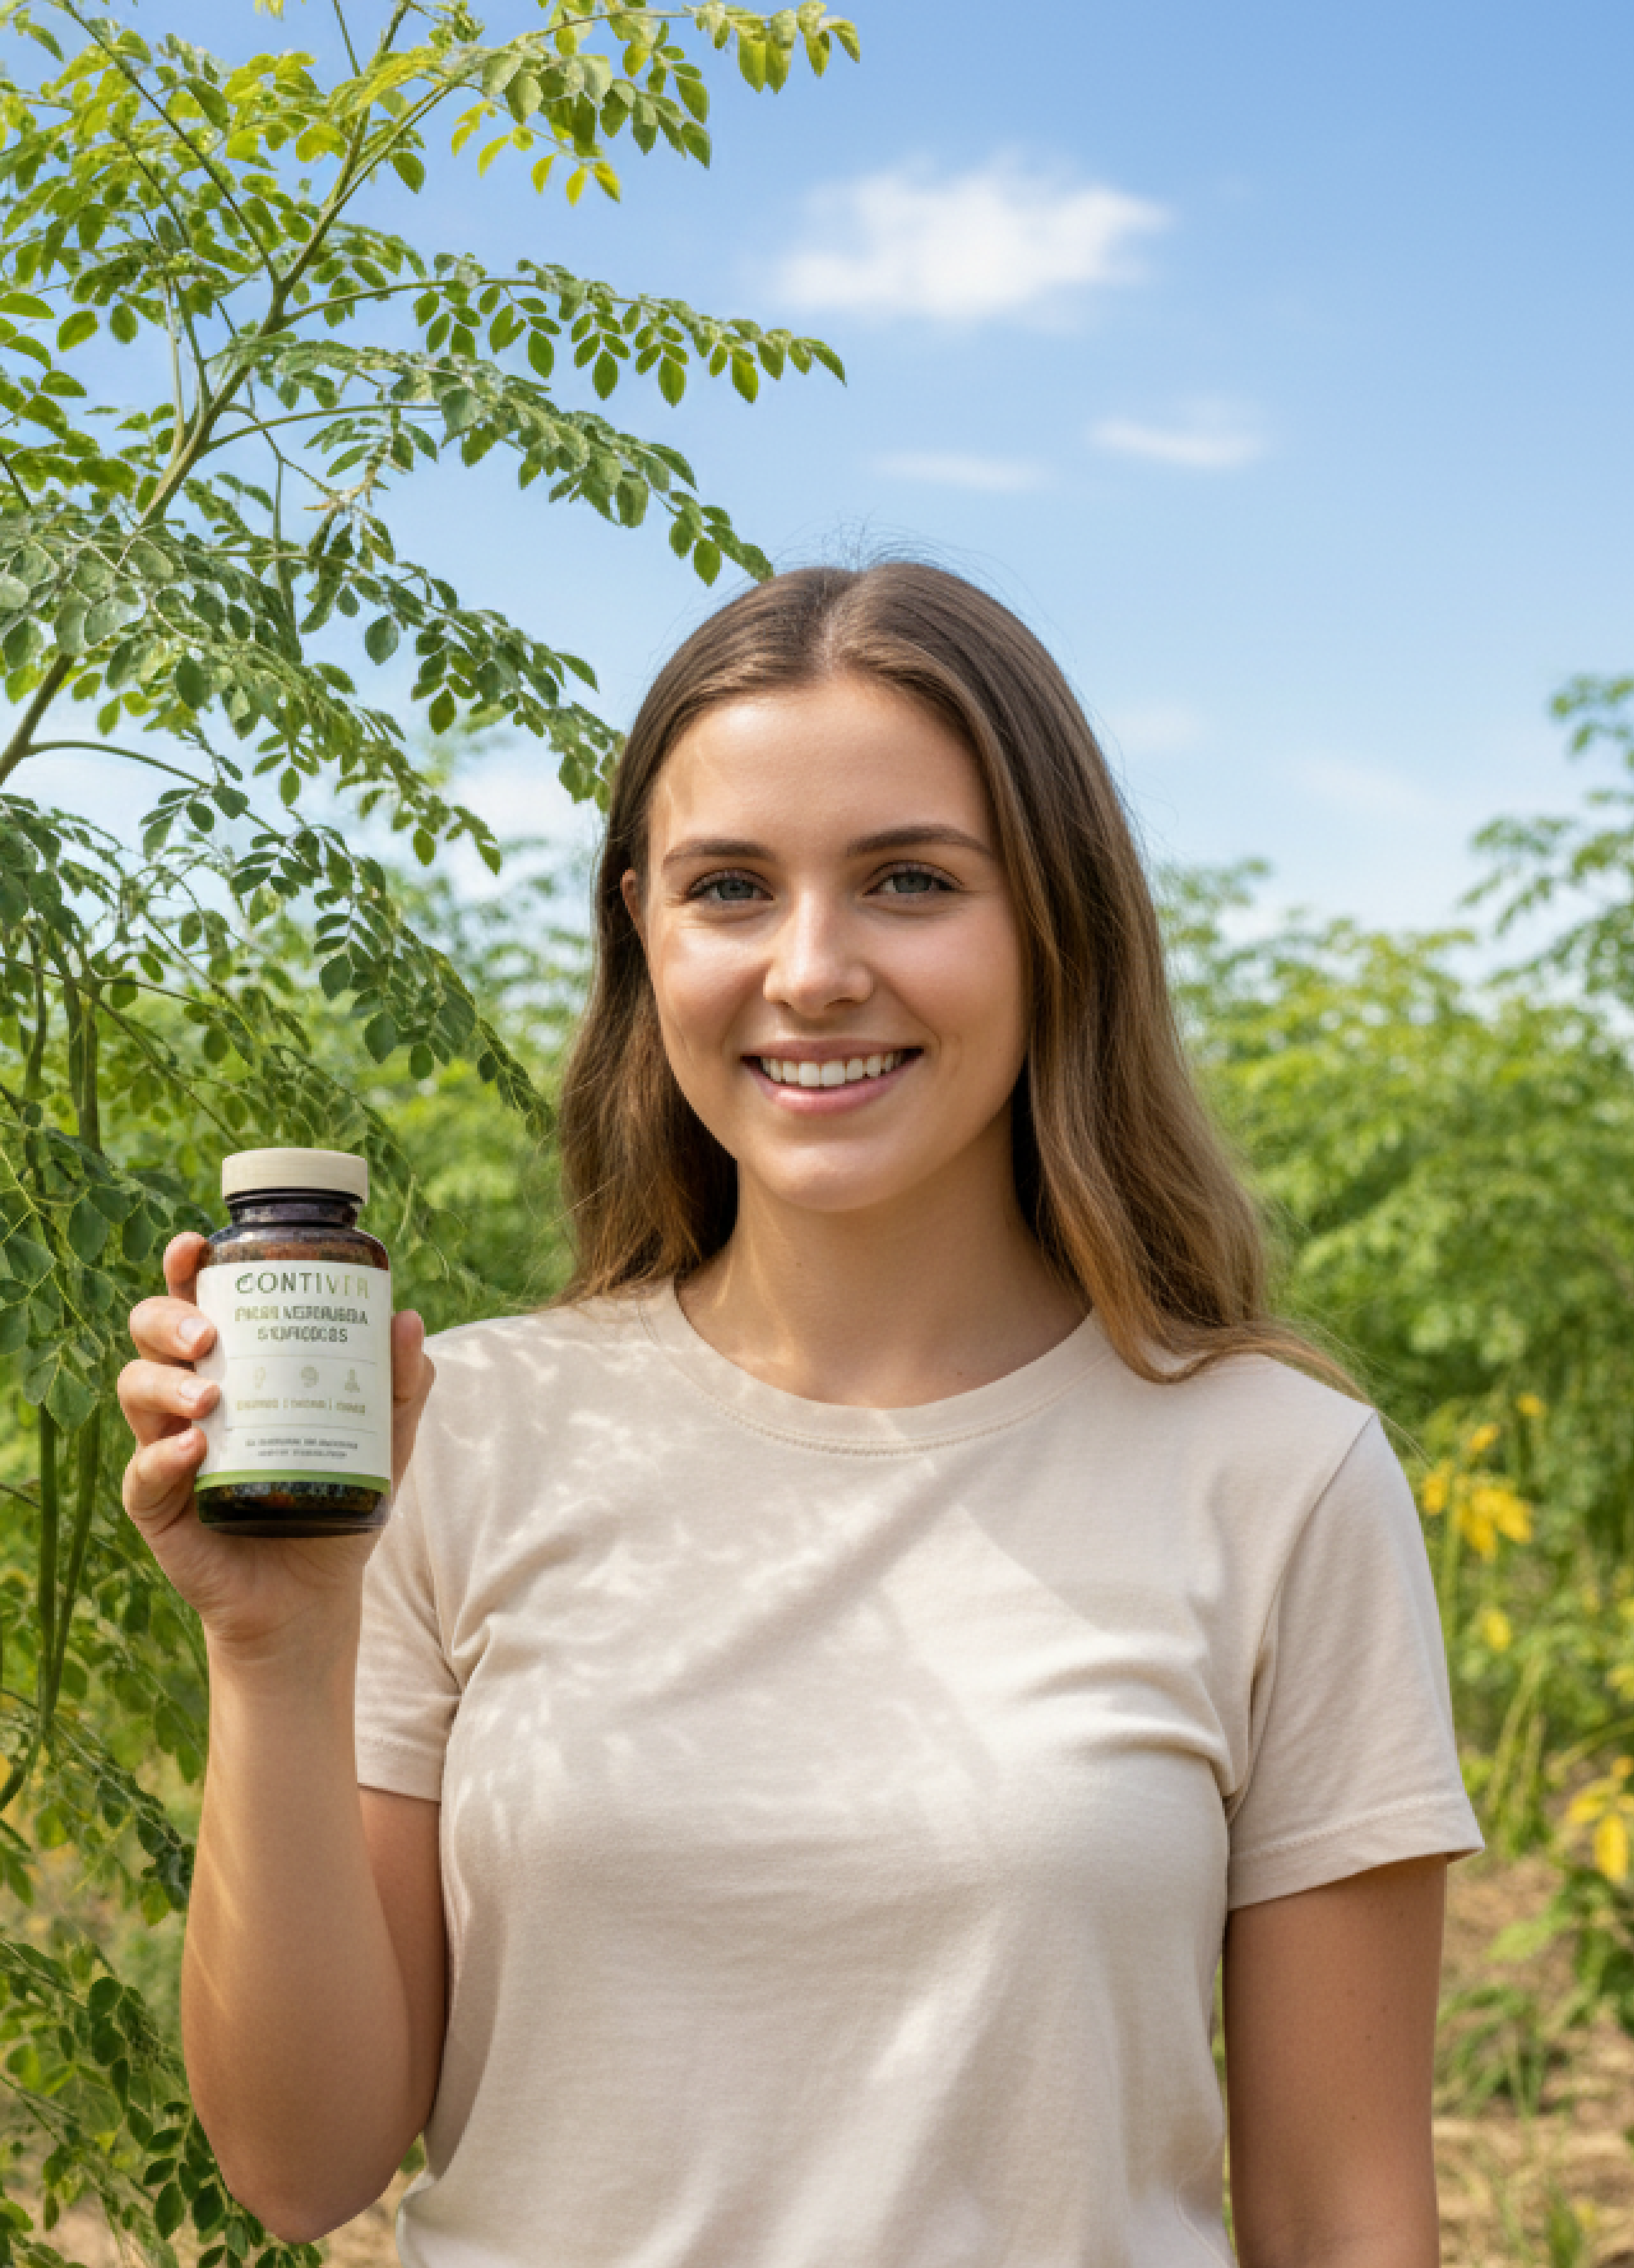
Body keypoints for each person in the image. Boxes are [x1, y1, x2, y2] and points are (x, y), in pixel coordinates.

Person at [114, 562, 1479, 2266]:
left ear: (1057, 922)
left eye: (910, 880)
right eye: (730, 888)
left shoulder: (1275, 1473)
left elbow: (1341, 2212)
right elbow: (300, 2166)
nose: (812, 968)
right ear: (644, 931)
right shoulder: (453, 1429)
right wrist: (273, 1646)